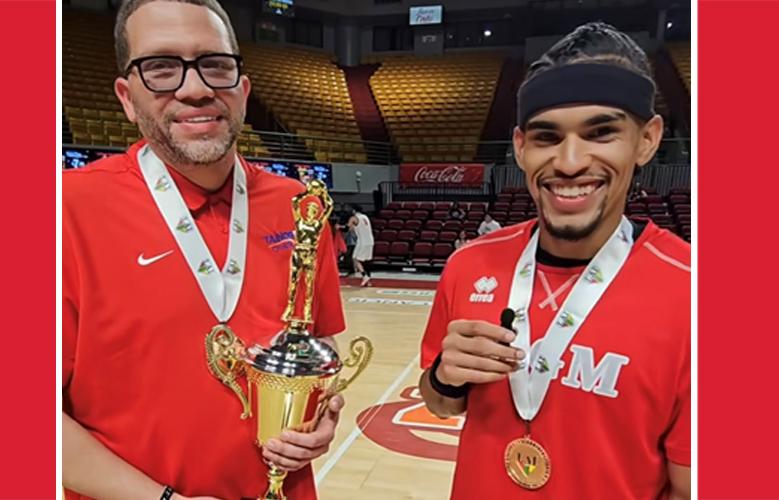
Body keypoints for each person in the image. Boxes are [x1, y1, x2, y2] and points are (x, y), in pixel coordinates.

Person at [62, 1, 347, 499]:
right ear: (127, 99)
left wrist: (320, 413)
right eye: (161, 68)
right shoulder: (60, 209)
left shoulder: (299, 207)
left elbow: (319, 346)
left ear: (243, 89)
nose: (195, 89)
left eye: (215, 64)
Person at [418, 22, 690, 500]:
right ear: (521, 147)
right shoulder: (469, 263)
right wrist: (445, 375)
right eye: (547, 137)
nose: (568, 162)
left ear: (646, 139)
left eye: (601, 133)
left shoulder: (699, 294)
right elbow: (439, 403)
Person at [348, 204, 374, 287]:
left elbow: (348, 228)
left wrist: (339, 227)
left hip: (362, 241)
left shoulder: (354, 218)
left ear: (354, 211)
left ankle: (364, 276)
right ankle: (368, 280)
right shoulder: (365, 217)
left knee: (355, 259)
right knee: (366, 261)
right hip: (370, 241)